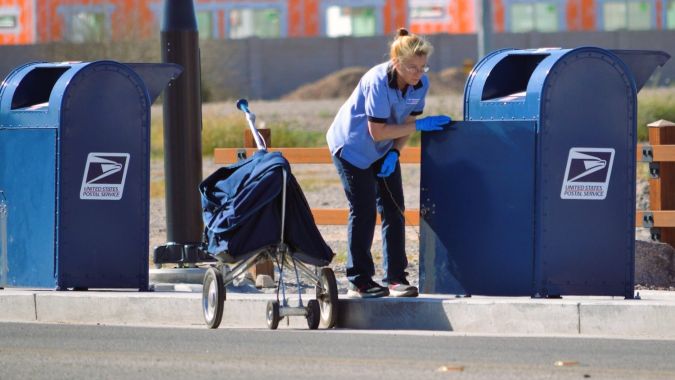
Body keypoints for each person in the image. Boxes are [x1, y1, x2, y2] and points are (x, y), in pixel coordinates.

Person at [326, 28, 451, 298]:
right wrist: (420, 125)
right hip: (352, 146)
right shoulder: (377, 81)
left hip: (384, 148)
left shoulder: (421, 84)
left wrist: (395, 153)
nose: (419, 73)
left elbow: (405, 124)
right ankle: (359, 280)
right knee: (364, 210)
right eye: (412, 67)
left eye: (422, 67)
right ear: (397, 63)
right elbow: (377, 131)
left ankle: (396, 278)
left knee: (394, 210)